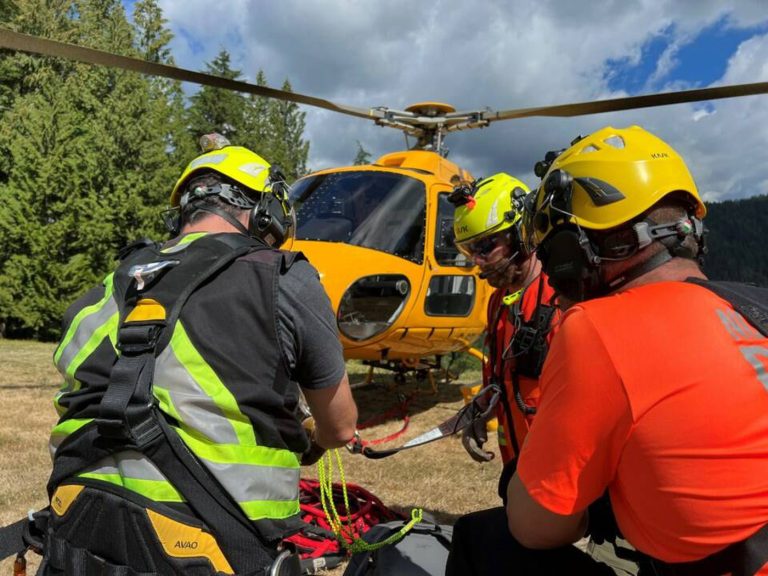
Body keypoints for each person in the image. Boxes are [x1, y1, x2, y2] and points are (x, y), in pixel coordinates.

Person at [43, 134, 358, 575]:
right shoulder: (284, 278)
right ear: (264, 210)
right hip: (207, 543)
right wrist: (314, 441)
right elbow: (341, 427)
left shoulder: (109, 287)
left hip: (76, 524)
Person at [504, 125, 768, 575]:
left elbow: (536, 528)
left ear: (575, 252)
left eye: (552, 255)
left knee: (489, 539)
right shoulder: (755, 303)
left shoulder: (595, 328)